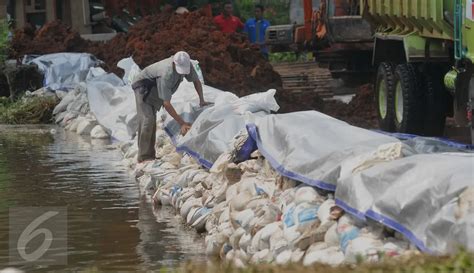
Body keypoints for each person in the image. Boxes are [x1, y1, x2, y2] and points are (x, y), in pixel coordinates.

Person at [131, 51, 208, 163]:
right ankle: (144, 157)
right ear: (174, 63)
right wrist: (182, 123)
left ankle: (150, 155)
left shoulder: (187, 64)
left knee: (151, 119)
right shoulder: (166, 73)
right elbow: (167, 103)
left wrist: (202, 100)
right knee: (147, 120)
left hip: (154, 87)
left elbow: (196, 81)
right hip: (142, 87)